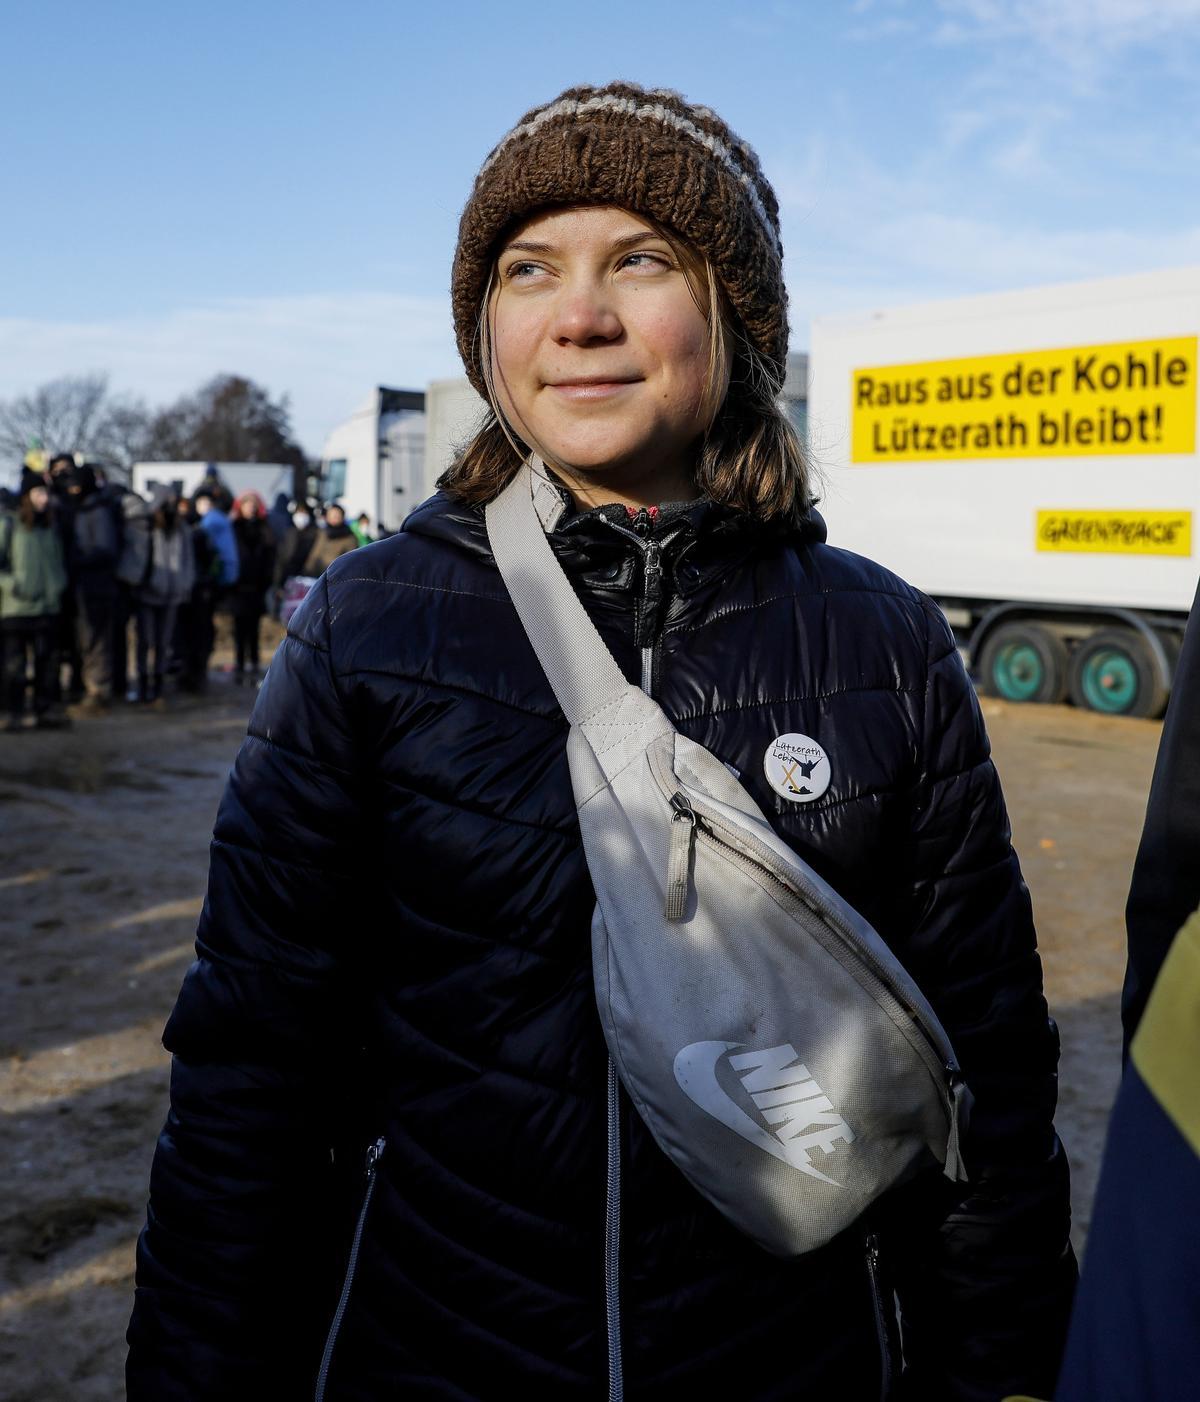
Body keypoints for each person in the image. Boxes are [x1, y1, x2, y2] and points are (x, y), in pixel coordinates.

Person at [127, 82, 1075, 1400]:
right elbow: (255, 1072)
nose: (579, 315)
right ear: (486, 328)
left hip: (792, 1362)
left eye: (639, 260)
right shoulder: (369, 624)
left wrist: (1004, 1368)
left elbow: (987, 1083)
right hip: (431, 1353)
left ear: (734, 316)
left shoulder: (887, 642)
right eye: (530, 270)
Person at [0, 468, 70, 730]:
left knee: (48, 664)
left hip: (47, 607)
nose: (45, 498)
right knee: (14, 666)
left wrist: (59, 584)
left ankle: (45, 710)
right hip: (15, 609)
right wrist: (12, 585)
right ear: (27, 495)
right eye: (39, 492)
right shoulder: (9, 524)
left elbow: (58, 561)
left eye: (46, 492)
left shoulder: (51, 526)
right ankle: (12, 712)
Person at [60, 462, 123, 715]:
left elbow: (106, 549)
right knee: (86, 640)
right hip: (83, 586)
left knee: (96, 640)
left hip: (96, 586)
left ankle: (98, 691)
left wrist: (79, 559)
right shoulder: (82, 509)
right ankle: (91, 688)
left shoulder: (97, 511)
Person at [134, 487, 195, 706]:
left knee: (163, 642)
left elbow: (188, 561)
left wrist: (184, 584)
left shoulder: (182, 529)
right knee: (145, 641)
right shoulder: (149, 527)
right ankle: (142, 683)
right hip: (148, 593)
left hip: (172, 594)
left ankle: (158, 686)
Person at [229, 490, 275, 684]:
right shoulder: (234, 527)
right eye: (247, 504)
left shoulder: (264, 528)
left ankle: (254, 662)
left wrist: (267, 579)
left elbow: (270, 554)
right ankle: (239, 663)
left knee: (254, 627)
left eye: (254, 505)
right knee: (239, 627)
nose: (251, 508)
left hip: (257, 585)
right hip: (238, 585)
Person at [302, 500, 358, 576]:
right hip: (318, 575)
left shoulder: (349, 537)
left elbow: (350, 561)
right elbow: (315, 554)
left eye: (337, 515)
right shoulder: (323, 533)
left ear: (342, 516)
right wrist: (307, 570)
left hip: (336, 576)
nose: (334, 517)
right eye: (331, 515)